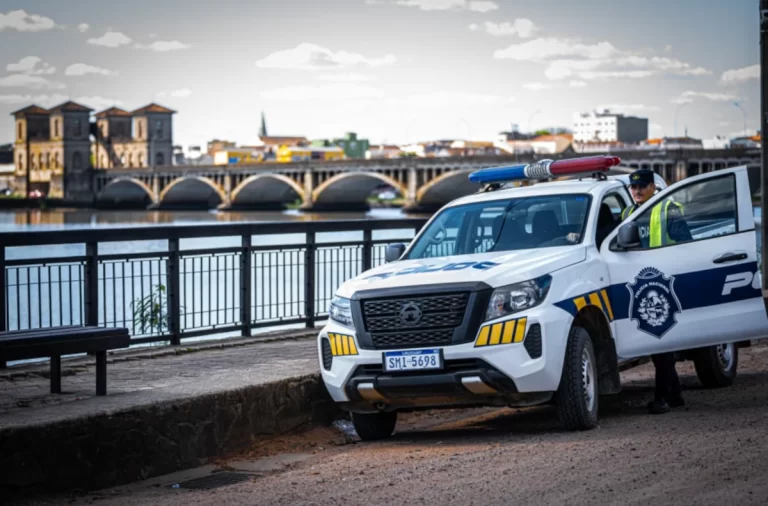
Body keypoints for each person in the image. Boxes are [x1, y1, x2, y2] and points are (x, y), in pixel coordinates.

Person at [621, 168, 691, 414]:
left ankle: (662, 398)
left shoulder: (668, 208)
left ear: (653, 187)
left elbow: (685, 244)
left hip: (665, 284)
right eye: (633, 187)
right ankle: (676, 395)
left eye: (642, 186)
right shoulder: (628, 213)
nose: (637, 191)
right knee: (660, 343)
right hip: (642, 286)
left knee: (661, 343)